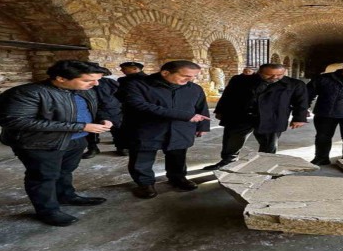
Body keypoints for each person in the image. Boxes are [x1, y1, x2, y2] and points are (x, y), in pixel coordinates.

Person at [0, 60, 113, 226]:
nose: (96, 84)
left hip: (77, 140)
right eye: (88, 80)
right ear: (61, 78)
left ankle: (66, 196)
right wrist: (81, 126)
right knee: (44, 177)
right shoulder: (26, 93)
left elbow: (94, 108)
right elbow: (16, 121)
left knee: (65, 171)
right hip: (40, 144)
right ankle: (48, 211)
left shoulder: (84, 90)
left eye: (97, 80)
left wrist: (104, 118)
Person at [119, 60, 210, 199]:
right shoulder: (137, 85)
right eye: (185, 76)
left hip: (181, 129)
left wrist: (203, 126)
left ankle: (178, 178)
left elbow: (201, 107)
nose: (190, 79)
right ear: (165, 73)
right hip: (147, 129)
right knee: (142, 159)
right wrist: (186, 116)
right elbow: (138, 106)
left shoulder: (194, 88)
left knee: (178, 157)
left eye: (193, 76)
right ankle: (144, 184)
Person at [204, 63, 308, 169]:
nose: (274, 77)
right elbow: (227, 96)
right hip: (240, 116)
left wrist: (299, 118)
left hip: (272, 118)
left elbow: (301, 102)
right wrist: (220, 111)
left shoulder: (295, 84)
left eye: (279, 75)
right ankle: (228, 161)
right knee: (231, 141)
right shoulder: (240, 80)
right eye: (269, 75)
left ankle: (264, 166)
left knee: (269, 144)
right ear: (259, 72)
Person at [82, 64, 128, 159]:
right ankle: (93, 148)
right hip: (91, 109)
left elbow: (119, 95)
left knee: (116, 128)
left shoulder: (109, 82)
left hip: (111, 108)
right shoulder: (83, 84)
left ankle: (121, 146)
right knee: (91, 130)